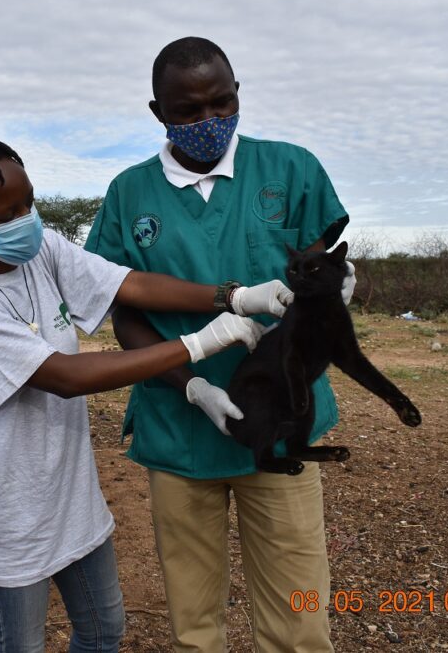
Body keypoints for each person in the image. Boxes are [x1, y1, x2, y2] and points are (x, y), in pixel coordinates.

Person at [0, 136, 295, 653]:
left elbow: (128, 285)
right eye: (8, 213)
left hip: (69, 497)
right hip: (6, 509)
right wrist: (200, 344)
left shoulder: (42, 251)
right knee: (20, 645)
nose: (27, 219)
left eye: (29, 203)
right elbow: (65, 377)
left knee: (102, 630)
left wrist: (234, 296)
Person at [85, 37, 354, 652]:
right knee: (195, 621)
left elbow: (317, 269)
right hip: (179, 431)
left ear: (237, 95)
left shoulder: (290, 168)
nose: (209, 121)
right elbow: (125, 314)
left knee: (300, 617)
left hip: (283, 422)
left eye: (222, 102)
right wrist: (193, 386)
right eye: (188, 111)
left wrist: (336, 290)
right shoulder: (130, 194)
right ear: (158, 112)